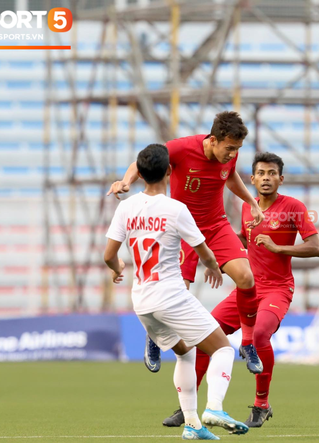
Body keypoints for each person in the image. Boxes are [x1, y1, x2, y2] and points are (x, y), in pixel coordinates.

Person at [162, 152, 319, 429]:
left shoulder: (294, 207)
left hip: (277, 289)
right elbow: (244, 241)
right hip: (246, 290)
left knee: (259, 334)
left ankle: (262, 403)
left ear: (281, 179)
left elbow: (316, 247)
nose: (266, 178)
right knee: (205, 333)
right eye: (261, 173)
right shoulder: (249, 207)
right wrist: (215, 251)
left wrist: (278, 247)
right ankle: (187, 407)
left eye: (272, 173)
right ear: (252, 178)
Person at [104, 144, 248, 440]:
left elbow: (108, 255)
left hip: (142, 301)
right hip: (170, 296)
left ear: (140, 174)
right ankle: (215, 408)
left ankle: (193, 425)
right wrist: (212, 266)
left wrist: (118, 268)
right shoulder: (176, 209)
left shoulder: (125, 207)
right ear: (170, 171)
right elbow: (204, 250)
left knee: (185, 353)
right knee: (222, 348)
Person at [108, 112, 265, 374]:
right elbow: (143, 160)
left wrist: (250, 200)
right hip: (182, 230)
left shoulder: (230, 153)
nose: (232, 153)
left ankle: (247, 343)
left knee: (247, 278)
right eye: (229, 148)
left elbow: (230, 175)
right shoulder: (181, 148)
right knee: (175, 292)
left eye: (237, 149)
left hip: (216, 226)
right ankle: (155, 337)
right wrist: (126, 182)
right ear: (213, 140)